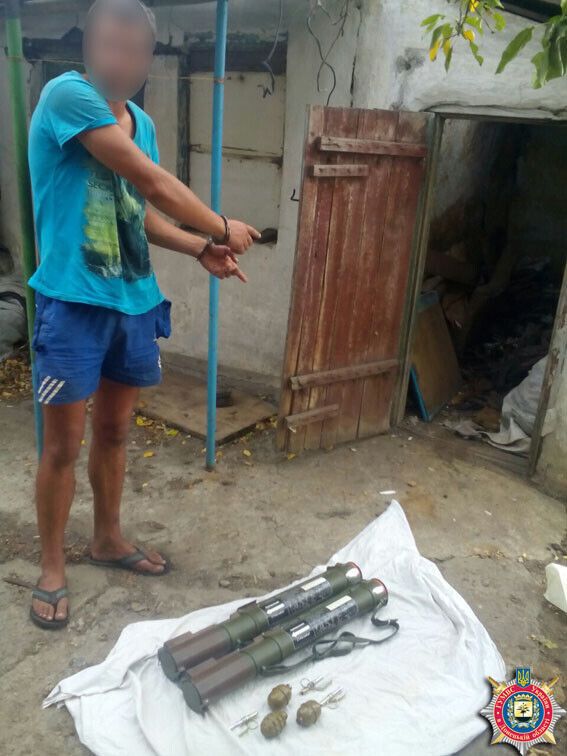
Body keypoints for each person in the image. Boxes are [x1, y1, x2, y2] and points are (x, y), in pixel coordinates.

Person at [27, 0, 260, 629]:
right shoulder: (67, 96)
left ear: (148, 59)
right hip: (73, 304)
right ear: (87, 47)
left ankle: (107, 538)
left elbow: (140, 209)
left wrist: (199, 247)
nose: (120, 61)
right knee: (62, 444)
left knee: (114, 432)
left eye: (134, 51)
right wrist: (221, 225)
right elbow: (152, 181)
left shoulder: (143, 123)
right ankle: (51, 567)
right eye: (109, 46)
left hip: (132, 302)